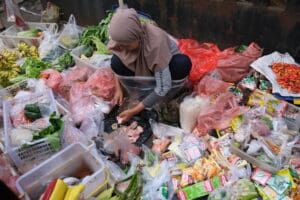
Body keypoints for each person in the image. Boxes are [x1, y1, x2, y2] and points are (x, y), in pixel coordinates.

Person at [108, 8, 192, 123]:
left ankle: (165, 98)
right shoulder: (122, 40)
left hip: (165, 68)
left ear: (137, 37)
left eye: (126, 46)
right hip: (142, 69)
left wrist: (135, 110)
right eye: (120, 45)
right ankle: (141, 93)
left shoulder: (156, 43)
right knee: (116, 62)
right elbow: (118, 56)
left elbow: (163, 87)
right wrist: (118, 88)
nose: (122, 48)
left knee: (182, 63)